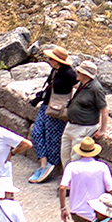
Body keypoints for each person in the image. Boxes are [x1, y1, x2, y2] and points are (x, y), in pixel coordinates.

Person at [59, 137, 112, 222]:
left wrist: (63, 208)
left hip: (77, 210)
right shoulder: (102, 167)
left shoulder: (72, 166)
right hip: (98, 211)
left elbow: (62, 187)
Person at [29, 45, 76, 183]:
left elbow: (78, 87)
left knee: (52, 138)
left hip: (57, 110)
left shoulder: (69, 74)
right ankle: (43, 163)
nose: (49, 60)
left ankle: (51, 165)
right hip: (47, 106)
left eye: (51, 59)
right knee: (36, 132)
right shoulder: (55, 71)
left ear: (57, 61)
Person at [60, 61, 109, 169]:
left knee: (76, 158)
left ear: (85, 75)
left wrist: (102, 130)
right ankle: (67, 177)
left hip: (83, 127)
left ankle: (74, 179)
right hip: (71, 125)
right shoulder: (82, 84)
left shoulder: (96, 89)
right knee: (65, 155)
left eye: (79, 72)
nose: (76, 73)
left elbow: (104, 109)